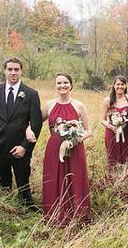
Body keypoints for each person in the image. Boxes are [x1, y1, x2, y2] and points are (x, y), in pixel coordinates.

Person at [0, 57, 42, 207]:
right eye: (10, 69)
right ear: (4, 71)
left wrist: (24, 147)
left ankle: (27, 213)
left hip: (20, 149)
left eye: (16, 69)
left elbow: (36, 124)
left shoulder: (31, 94)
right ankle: (4, 211)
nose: (13, 72)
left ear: (21, 71)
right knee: (2, 186)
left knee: (23, 186)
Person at [39, 73, 92, 227]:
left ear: (71, 85)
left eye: (65, 82)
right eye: (59, 83)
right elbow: (35, 122)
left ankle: (78, 214)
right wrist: (29, 129)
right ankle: (55, 215)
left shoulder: (79, 105)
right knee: (55, 178)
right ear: (55, 86)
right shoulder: (49, 105)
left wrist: (76, 139)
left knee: (75, 177)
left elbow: (88, 130)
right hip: (54, 147)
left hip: (75, 148)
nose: (62, 85)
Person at [100, 75, 128, 171]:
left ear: (126, 86)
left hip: (127, 133)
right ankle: (113, 179)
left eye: (122, 84)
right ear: (114, 86)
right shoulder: (107, 100)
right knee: (113, 158)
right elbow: (102, 119)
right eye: (118, 84)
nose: (120, 87)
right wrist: (111, 127)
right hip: (112, 133)